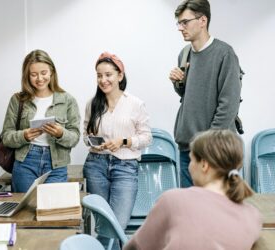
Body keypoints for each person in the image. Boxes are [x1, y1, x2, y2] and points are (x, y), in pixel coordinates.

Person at [124, 129, 262, 250]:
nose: (189, 167)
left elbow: (136, 247)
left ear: (204, 165)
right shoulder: (253, 216)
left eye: (191, 160)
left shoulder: (173, 200)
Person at [169, 0, 242, 187]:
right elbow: (189, 95)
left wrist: (207, 144)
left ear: (203, 20)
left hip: (214, 150)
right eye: (179, 23)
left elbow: (228, 105)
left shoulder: (225, 54)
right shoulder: (184, 53)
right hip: (187, 148)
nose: (180, 28)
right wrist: (178, 82)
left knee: (218, 211)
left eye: (185, 22)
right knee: (190, 212)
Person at [83, 52, 152, 249]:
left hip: (125, 167)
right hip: (96, 165)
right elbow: (85, 136)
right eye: (99, 75)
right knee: (104, 223)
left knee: (117, 223)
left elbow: (147, 137)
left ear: (120, 76)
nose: (103, 80)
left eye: (108, 75)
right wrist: (94, 142)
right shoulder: (92, 104)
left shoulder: (135, 104)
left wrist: (123, 141)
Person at [2, 49, 81, 192]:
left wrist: (60, 134)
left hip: (56, 164)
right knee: (24, 211)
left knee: (52, 210)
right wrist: (23, 135)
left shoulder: (67, 100)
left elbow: (75, 137)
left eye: (43, 73)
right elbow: (6, 137)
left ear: (51, 72)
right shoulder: (17, 100)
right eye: (33, 74)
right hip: (25, 162)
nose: (39, 78)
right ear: (27, 76)